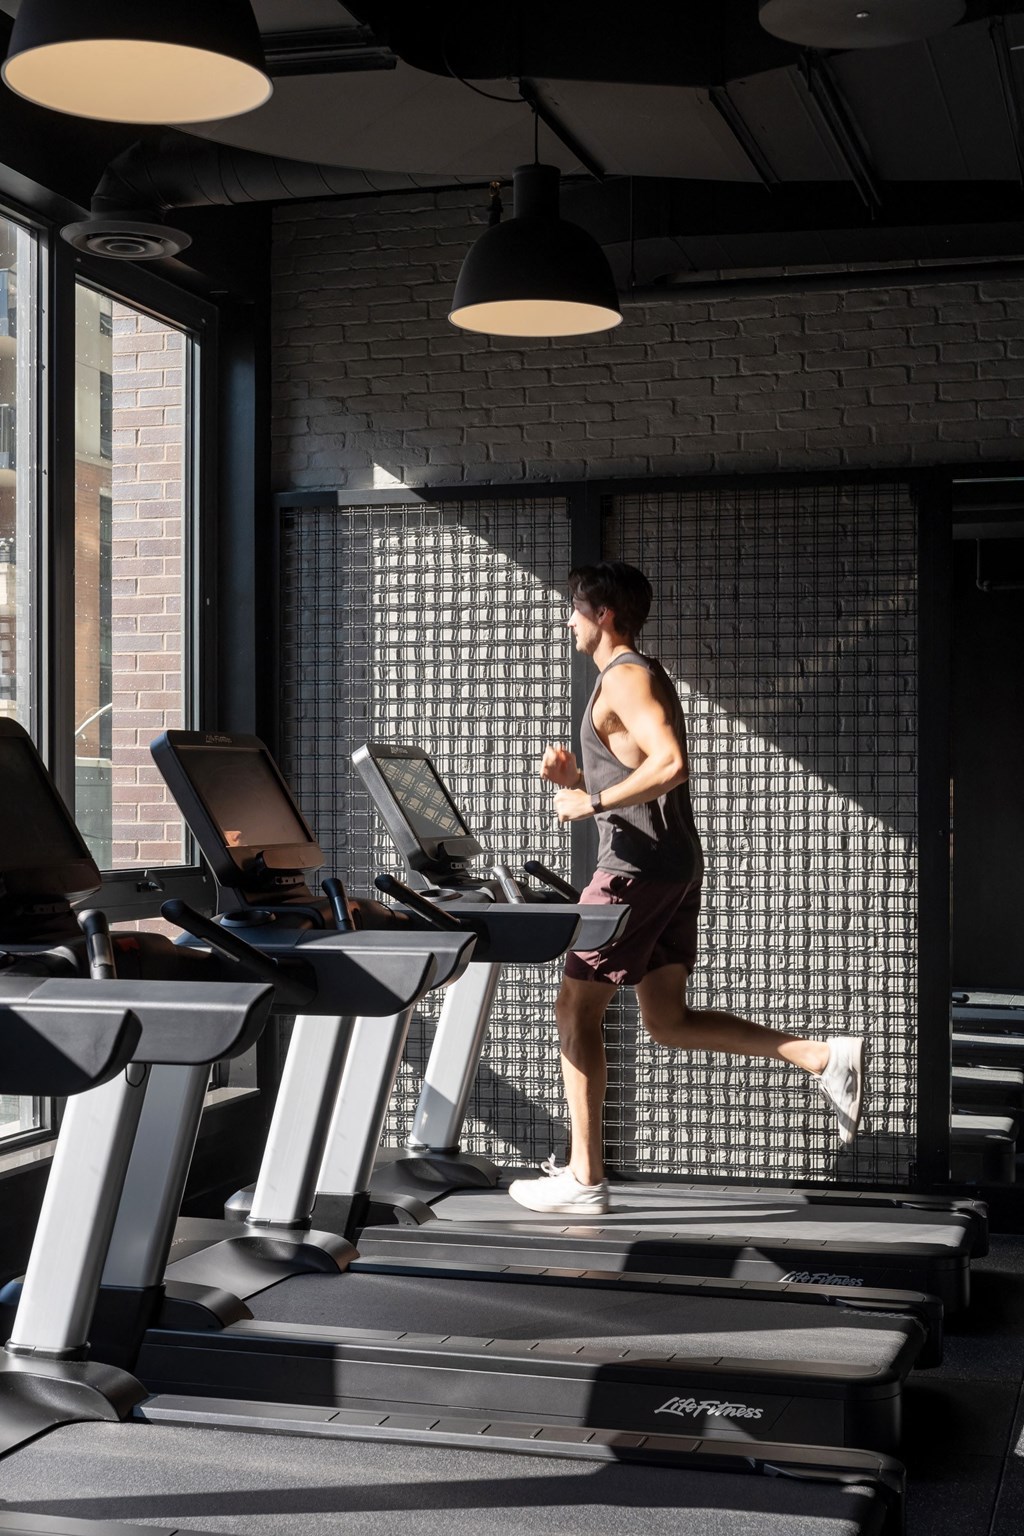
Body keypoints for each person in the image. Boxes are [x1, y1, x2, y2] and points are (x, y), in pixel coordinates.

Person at [508, 561, 866, 1217]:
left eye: (574, 608)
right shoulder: (632, 677)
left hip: (635, 871)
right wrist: (576, 784)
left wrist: (590, 802)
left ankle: (584, 1178)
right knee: (667, 1021)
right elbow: (641, 768)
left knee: (573, 1010)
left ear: (602, 615)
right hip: (667, 866)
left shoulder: (625, 676)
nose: (567, 620)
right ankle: (822, 1057)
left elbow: (671, 763)